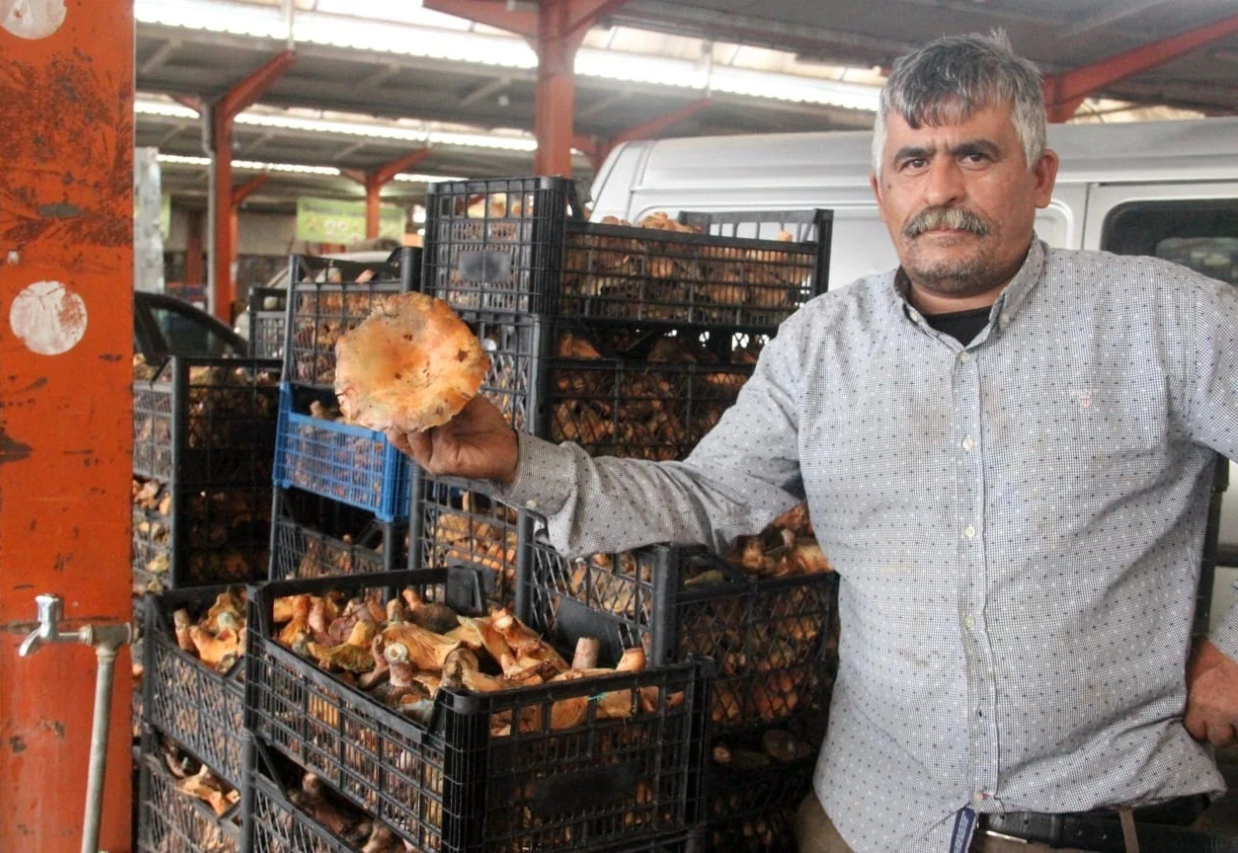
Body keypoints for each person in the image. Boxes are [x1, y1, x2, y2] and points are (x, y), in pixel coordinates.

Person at [386, 32, 1238, 853]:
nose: (941, 187)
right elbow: (706, 494)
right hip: (872, 819)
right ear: (881, 188)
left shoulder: (1167, 319)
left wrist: (1234, 651)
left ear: (1041, 175)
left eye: (975, 155)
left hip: (1091, 816)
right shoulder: (822, 345)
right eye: (914, 160)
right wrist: (519, 462)